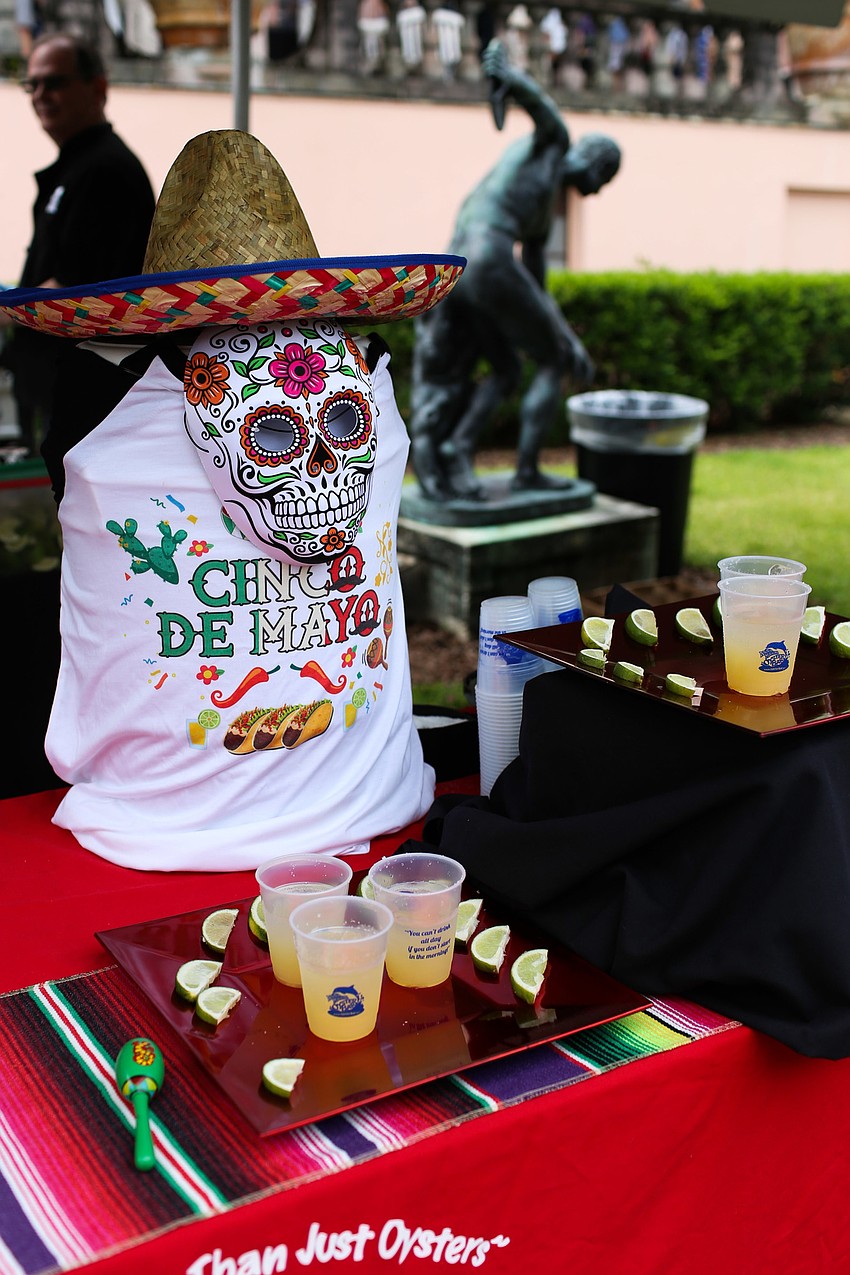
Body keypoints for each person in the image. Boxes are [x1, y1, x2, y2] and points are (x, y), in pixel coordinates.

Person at [409, 39, 621, 501]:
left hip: (459, 269)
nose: (596, 191)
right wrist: (507, 76)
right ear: (595, 162)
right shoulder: (553, 146)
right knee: (552, 361)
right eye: (603, 179)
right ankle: (524, 472)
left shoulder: (542, 213)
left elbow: (535, 294)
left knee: (506, 369)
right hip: (487, 258)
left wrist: (562, 332)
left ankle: (455, 448)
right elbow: (545, 110)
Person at [2, 33, 155, 458]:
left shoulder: (105, 169)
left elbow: (75, 289)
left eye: (54, 82)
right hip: (61, 387)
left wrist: (8, 309)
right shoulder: (80, 164)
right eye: (32, 84)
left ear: (97, 87)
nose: (40, 95)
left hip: (87, 392)